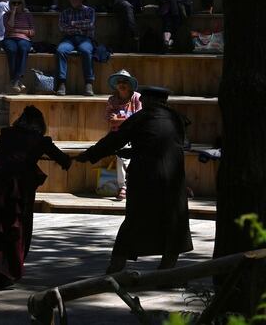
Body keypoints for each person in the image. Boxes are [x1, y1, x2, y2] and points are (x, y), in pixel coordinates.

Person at [75, 86, 193, 274]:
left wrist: (88, 155)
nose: (142, 102)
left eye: (144, 99)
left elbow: (115, 140)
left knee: (134, 221)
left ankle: (116, 267)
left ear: (150, 101)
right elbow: (165, 143)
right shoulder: (177, 119)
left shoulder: (142, 117)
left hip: (146, 178)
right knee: (173, 222)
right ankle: (167, 269)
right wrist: (136, 150)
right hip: (174, 179)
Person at [0, 106, 71, 290]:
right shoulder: (40, 141)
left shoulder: (6, 133)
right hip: (12, 188)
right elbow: (64, 161)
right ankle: (3, 273)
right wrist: (83, 158)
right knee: (12, 228)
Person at [104, 70, 142, 200]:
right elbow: (111, 121)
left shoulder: (137, 98)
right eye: (119, 82)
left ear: (130, 84)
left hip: (136, 134)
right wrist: (127, 120)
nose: (122, 84)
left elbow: (139, 120)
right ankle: (124, 186)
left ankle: (124, 187)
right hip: (118, 135)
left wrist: (119, 120)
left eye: (125, 82)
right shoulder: (112, 100)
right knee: (122, 152)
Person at [55, 0, 96, 96]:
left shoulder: (89, 11)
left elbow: (89, 25)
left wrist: (72, 24)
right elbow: (63, 27)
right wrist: (79, 27)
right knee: (61, 50)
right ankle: (62, 83)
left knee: (86, 51)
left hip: (85, 39)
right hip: (69, 39)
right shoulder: (65, 13)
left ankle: (89, 83)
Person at [1, 0, 35, 94]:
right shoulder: (6, 15)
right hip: (9, 38)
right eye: (13, 3)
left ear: (22, 4)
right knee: (12, 49)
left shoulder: (28, 15)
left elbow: (32, 32)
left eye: (18, 3)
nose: (16, 5)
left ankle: (15, 80)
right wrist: (13, 13)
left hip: (24, 39)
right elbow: (8, 28)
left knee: (23, 48)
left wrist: (19, 31)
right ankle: (17, 80)